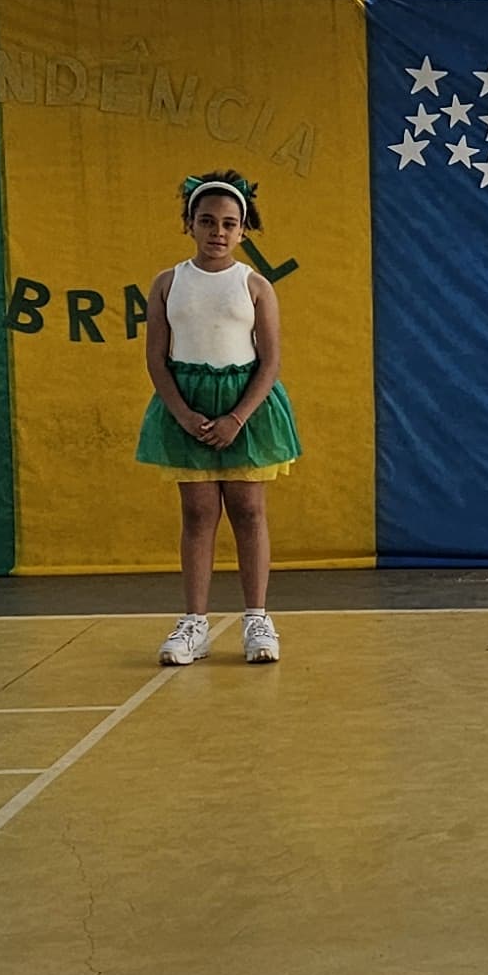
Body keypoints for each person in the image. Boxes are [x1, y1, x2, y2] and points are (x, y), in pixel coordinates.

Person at [135, 171, 299, 666]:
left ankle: (256, 619)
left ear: (244, 230)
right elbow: (156, 359)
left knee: (248, 511)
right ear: (188, 223)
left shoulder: (254, 285)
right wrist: (183, 414)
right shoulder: (167, 283)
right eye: (207, 221)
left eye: (230, 223)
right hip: (188, 406)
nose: (218, 232)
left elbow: (269, 361)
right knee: (199, 514)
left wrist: (237, 417)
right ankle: (195, 624)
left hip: (244, 408)